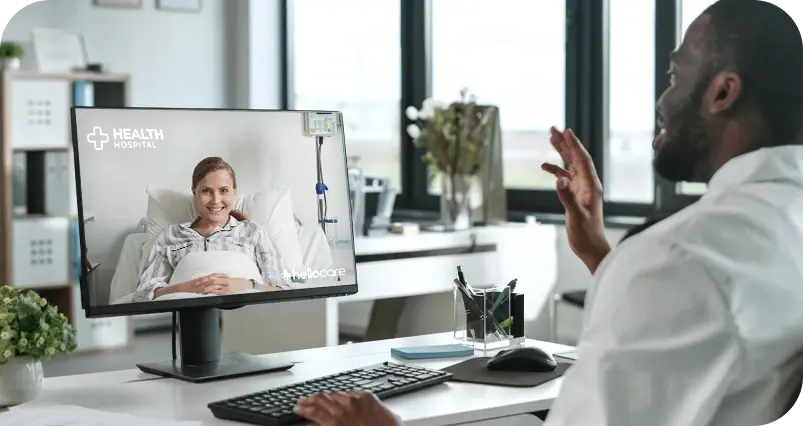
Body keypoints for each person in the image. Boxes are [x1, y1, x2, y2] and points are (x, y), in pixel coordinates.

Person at [290, 0, 803, 424]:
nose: (664, 98)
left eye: (675, 74)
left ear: (723, 92)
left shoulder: (679, 256)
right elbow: (722, 322)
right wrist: (602, 254)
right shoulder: (774, 222)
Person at [133, 157, 291, 302]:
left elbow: (282, 290)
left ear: (234, 192)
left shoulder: (254, 232)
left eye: (224, 190)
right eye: (206, 191)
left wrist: (247, 285)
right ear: (194, 193)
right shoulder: (171, 236)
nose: (216, 200)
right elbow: (143, 294)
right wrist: (186, 288)